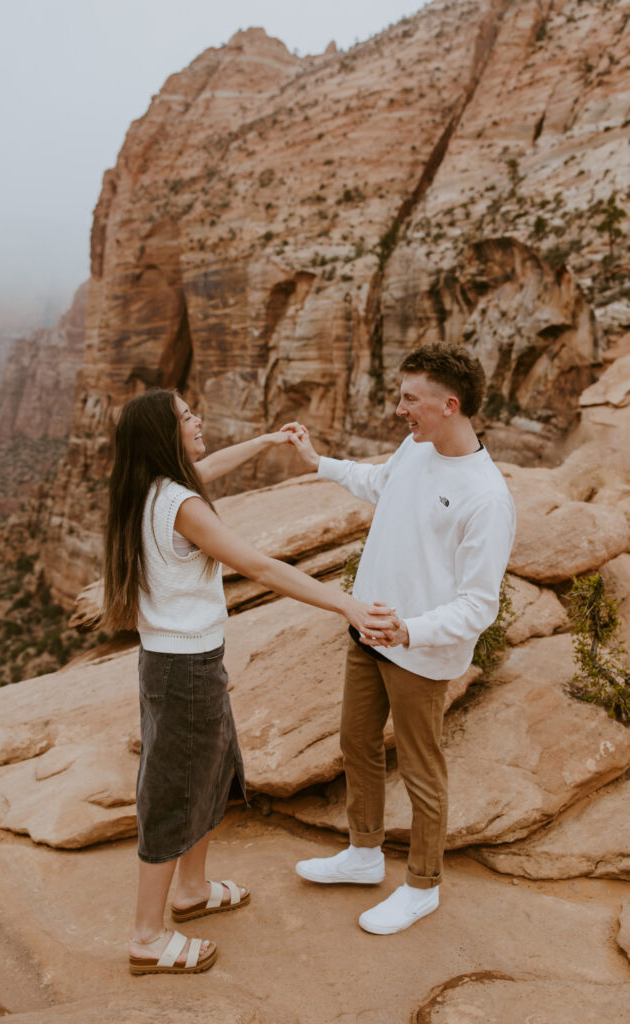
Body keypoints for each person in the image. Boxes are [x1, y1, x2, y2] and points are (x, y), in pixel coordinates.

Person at [101, 388, 398, 974]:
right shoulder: (181, 505)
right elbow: (259, 566)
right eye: (187, 417)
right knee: (175, 791)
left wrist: (264, 442)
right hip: (183, 668)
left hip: (181, 663)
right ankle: (145, 938)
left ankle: (190, 891)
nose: (198, 419)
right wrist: (350, 606)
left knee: (210, 771)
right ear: (166, 435)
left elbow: (205, 469)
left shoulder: (148, 484)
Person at [288, 343, 516, 935]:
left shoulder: (487, 498)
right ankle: (364, 854)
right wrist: (319, 463)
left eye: (409, 399)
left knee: (421, 767)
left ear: (450, 403)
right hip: (368, 627)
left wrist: (410, 629)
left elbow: (478, 605)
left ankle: (422, 886)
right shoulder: (416, 449)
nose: (399, 410)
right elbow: (378, 482)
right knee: (356, 742)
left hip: (419, 649)